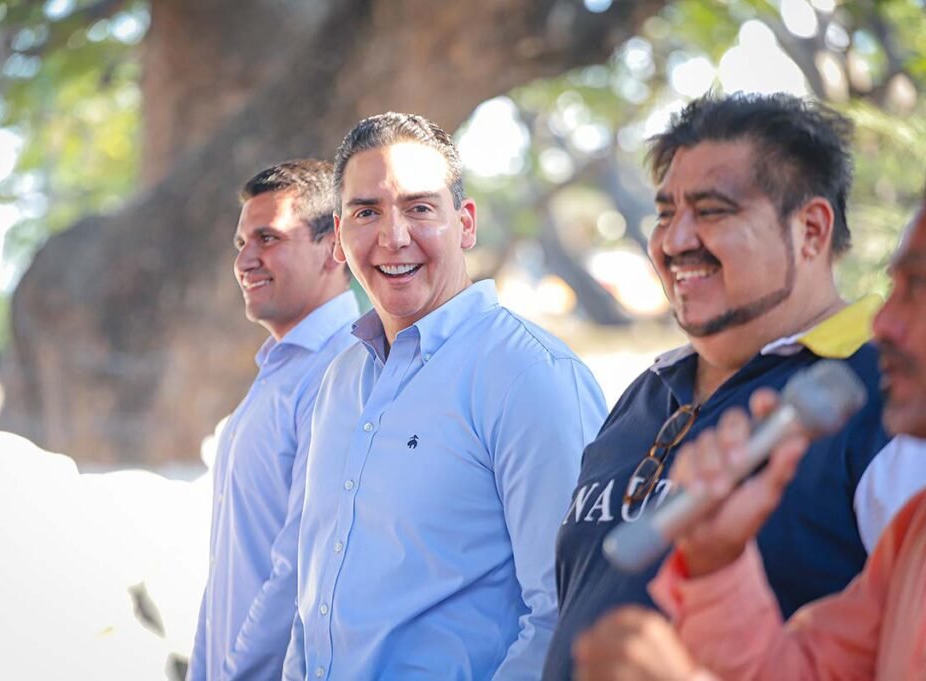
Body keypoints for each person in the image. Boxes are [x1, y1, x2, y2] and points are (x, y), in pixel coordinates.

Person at [543, 93, 917, 680]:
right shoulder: (646, 392)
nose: (675, 240)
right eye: (665, 213)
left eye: (712, 210)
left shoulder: (890, 405)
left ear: (812, 230)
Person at [282, 112, 608, 680]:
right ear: (338, 236)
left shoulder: (530, 376)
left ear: (466, 223)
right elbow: (314, 601)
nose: (393, 236)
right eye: (366, 212)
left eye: (419, 207)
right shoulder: (339, 381)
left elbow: (572, 613)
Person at [188, 160, 358, 681]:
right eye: (241, 243)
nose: (245, 260)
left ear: (334, 248)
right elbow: (230, 570)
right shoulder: (282, 366)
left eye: (268, 238)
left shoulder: (342, 368)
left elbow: (298, 570)